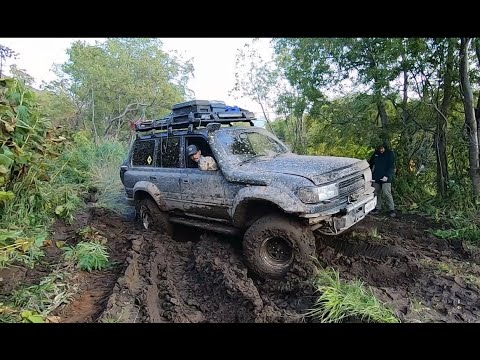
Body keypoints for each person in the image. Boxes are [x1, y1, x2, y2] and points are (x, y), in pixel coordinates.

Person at [368, 141, 396, 217]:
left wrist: (387, 176)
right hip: (376, 177)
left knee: (386, 192)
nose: (381, 150)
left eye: (382, 148)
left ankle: (392, 209)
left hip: (386, 178)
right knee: (376, 192)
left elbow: (392, 167)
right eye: (380, 148)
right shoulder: (376, 154)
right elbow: (370, 164)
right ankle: (377, 208)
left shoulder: (390, 154)